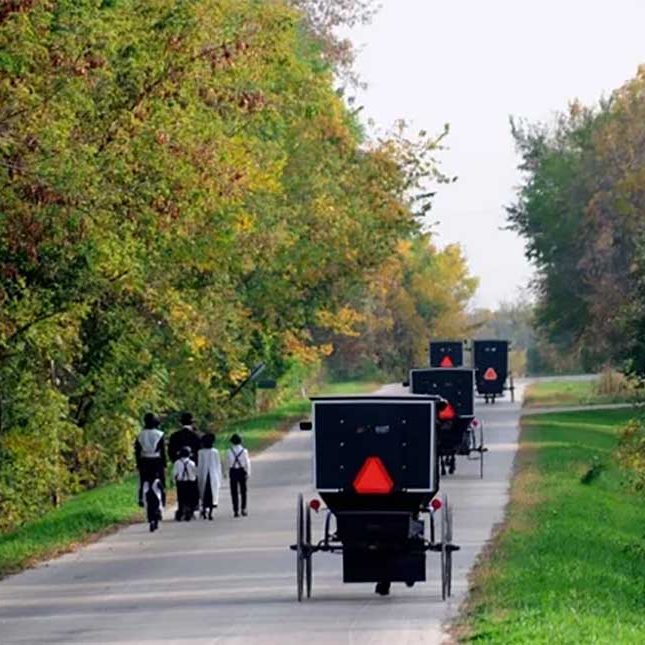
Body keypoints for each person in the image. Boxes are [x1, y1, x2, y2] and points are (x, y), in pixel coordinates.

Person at [134, 412, 166, 509]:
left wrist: (138, 463)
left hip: (144, 461)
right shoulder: (160, 434)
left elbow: (137, 451)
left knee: (143, 481)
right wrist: (164, 464)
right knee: (160, 481)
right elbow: (162, 451)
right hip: (157, 460)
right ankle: (162, 500)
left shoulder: (140, 435)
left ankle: (141, 498)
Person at [197, 432, 222, 520]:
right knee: (212, 495)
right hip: (213, 475)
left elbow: (200, 465)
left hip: (204, 475)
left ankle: (204, 510)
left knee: (204, 494)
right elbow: (218, 465)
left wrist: (198, 475)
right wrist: (219, 477)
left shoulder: (200, 452)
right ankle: (210, 513)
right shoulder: (215, 452)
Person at [227, 433, 251, 517]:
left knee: (234, 492)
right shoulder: (244, 451)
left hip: (233, 471)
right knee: (243, 491)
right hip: (242, 470)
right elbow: (247, 463)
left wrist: (227, 472)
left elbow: (228, 462)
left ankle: (235, 510)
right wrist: (248, 472)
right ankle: (243, 508)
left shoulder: (229, 451)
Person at [173, 446, 199, 521]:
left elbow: (174, 473)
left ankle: (181, 512)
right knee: (190, 498)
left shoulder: (177, 463)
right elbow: (195, 473)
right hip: (190, 482)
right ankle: (190, 512)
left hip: (181, 483)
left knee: (181, 499)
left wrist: (175, 480)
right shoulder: (191, 463)